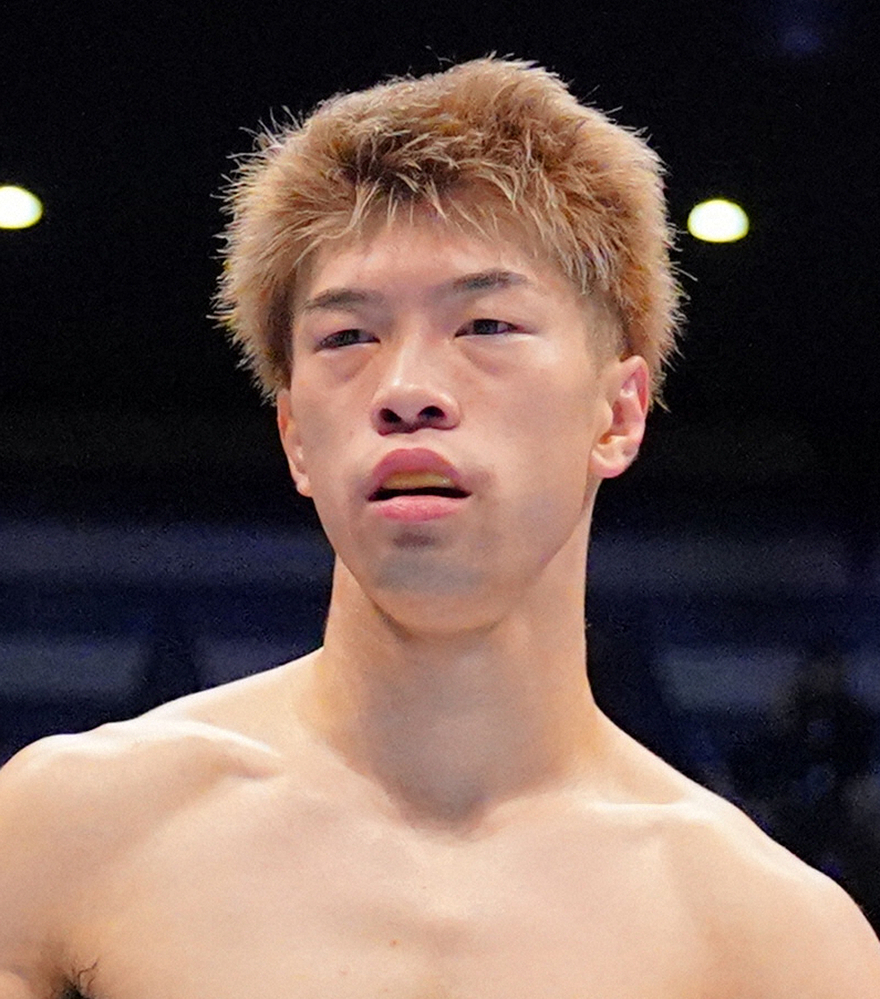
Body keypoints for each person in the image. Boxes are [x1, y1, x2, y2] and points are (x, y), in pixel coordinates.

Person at [1, 57, 878, 999]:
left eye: (486, 325)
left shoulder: (779, 944)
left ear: (618, 414)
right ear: (295, 436)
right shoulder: (66, 834)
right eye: (348, 337)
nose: (407, 390)